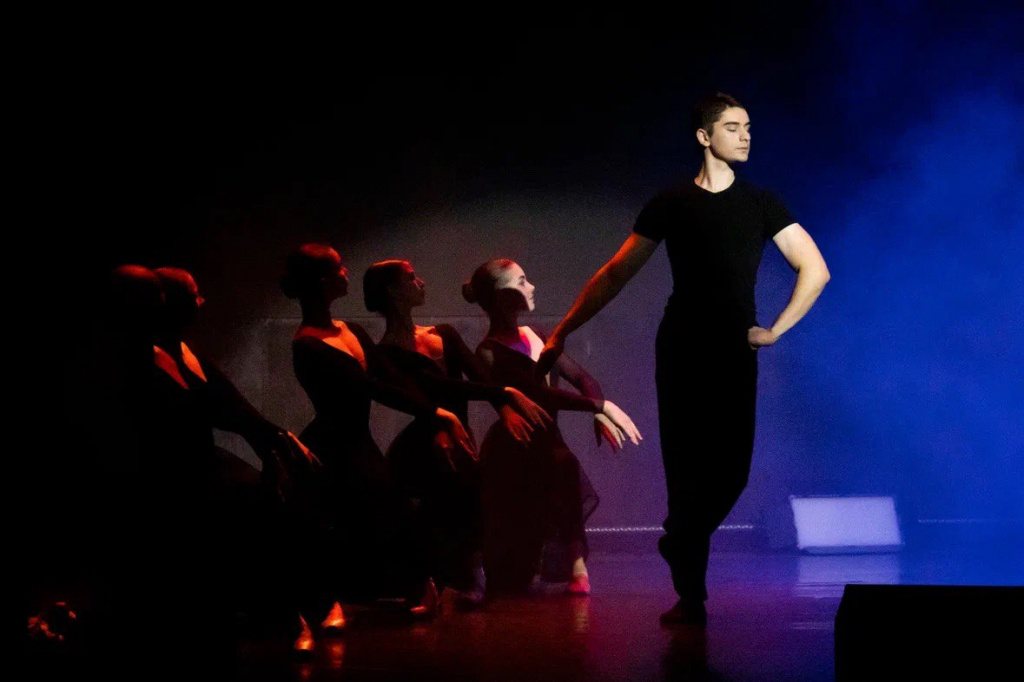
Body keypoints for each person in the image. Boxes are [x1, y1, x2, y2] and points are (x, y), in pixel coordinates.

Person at [536, 92, 831, 625]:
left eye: (748, 127)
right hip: (682, 348)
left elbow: (815, 269)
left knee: (732, 471)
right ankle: (691, 596)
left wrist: (776, 330)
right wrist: (563, 330)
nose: (745, 136)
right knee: (686, 471)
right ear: (704, 136)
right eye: (733, 127)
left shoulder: (761, 203)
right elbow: (615, 273)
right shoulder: (671, 203)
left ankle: (680, 539)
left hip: (734, 350)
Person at [281, 244, 474, 654]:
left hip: (357, 440)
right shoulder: (307, 344)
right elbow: (368, 387)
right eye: (339, 268)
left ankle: (419, 586)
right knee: (337, 522)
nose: (346, 272)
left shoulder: (351, 330)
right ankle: (326, 604)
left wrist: (435, 414)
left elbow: (387, 378)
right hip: (329, 446)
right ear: (322, 282)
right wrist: (436, 413)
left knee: (391, 510)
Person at [363, 259, 552, 605]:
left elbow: (479, 376)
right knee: (442, 503)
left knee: (472, 498)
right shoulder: (384, 354)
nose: (421, 282)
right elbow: (427, 390)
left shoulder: (443, 334)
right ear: (393, 292)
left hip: (458, 436)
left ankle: (465, 578)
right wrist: (502, 395)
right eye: (411, 278)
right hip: (425, 442)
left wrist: (503, 405)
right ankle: (441, 582)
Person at [463, 258, 641, 595]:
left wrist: (597, 409)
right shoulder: (488, 352)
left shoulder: (537, 335)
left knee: (563, 465)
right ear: (501, 296)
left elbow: (582, 378)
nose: (531, 287)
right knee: (513, 570)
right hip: (515, 448)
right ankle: (479, 572)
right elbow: (538, 395)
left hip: (549, 440)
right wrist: (599, 406)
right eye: (521, 281)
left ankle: (577, 566)